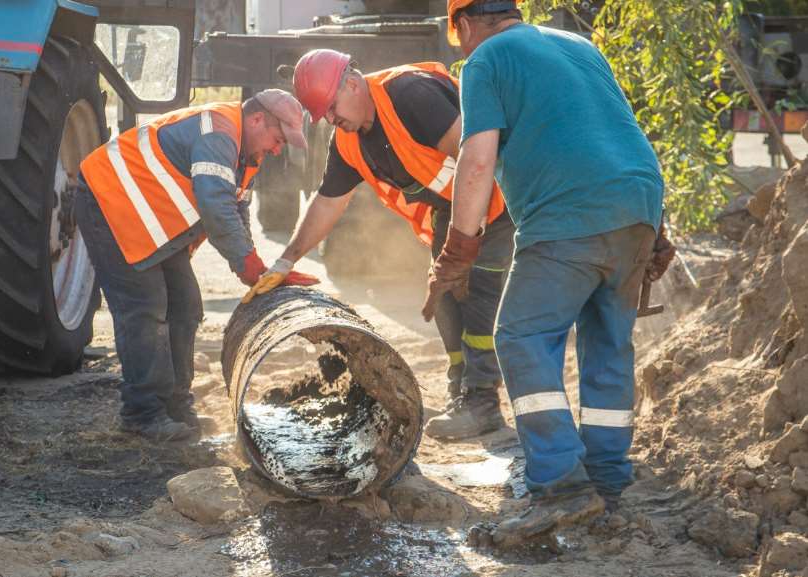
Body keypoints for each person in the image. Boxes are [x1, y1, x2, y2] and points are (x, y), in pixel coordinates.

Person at [424, 0, 676, 547]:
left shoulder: (485, 60)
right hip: (638, 204)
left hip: (568, 216)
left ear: (464, 25)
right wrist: (656, 228)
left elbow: (477, 157)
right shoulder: (580, 47)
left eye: (459, 36)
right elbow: (620, 130)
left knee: (521, 335)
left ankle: (561, 485)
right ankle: (608, 482)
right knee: (608, 344)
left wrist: (458, 251)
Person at [244, 49, 514, 440]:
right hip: (455, 213)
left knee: (480, 295)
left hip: (500, 201)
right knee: (444, 299)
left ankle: (483, 401)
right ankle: (462, 388)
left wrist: (471, 237)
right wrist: (286, 260)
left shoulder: (410, 94)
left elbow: (476, 156)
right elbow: (327, 202)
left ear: (352, 83)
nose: (332, 120)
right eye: (324, 115)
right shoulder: (349, 142)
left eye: (332, 108)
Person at [76, 90, 318, 442]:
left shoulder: (245, 152)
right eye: (278, 139)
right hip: (108, 202)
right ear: (256, 120)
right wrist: (248, 265)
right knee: (145, 308)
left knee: (186, 305)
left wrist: (252, 266)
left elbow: (236, 208)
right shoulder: (218, 133)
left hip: (149, 218)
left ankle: (175, 403)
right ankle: (143, 413)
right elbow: (215, 204)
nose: (278, 149)